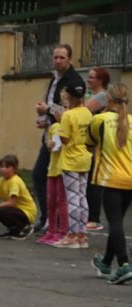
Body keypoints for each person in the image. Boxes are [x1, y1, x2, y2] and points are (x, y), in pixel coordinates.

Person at [32, 44, 85, 231]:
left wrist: (48, 110)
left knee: (58, 182)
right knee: (39, 176)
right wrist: (45, 119)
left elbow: (72, 112)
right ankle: (47, 217)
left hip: (64, 139)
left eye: (62, 58)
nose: (58, 61)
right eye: (55, 57)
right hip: (50, 134)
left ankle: (59, 222)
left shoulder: (74, 81)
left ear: (70, 59)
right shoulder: (54, 79)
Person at [88, 83, 132, 285]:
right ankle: (106, 262)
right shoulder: (131, 122)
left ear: (109, 99)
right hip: (130, 177)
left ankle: (123, 264)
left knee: (114, 222)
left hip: (111, 178)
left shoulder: (100, 120)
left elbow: (89, 143)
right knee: (118, 222)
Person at [53, 83, 93, 249]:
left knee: (72, 197)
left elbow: (64, 139)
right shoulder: (88, 113)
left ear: (69, 97)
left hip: (70, 159)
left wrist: (59, 121)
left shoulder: (68, 115)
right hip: (85, 157)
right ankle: (82, 234)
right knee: (82, 196)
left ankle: (71, 235)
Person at [0, 154, 37, 239]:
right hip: (15, 210)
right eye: (2, 166)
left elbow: (12, 203)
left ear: (14, 169)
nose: (3, 169)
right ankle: (13, 228)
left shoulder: (15, 181)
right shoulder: (2, 179)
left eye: (7, 167)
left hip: (26, 212)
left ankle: (24, 227)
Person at [36, 114, 68, 246]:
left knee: (61, 201)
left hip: (63, 168)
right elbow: (50, 145)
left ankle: (63, 231)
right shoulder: (54, 127)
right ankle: (51, 229)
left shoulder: (67, 127)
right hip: (52, 169)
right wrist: (50, 145)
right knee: (51, 201)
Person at [85, 66, 111, 231]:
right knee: (87, 181)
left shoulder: (102, 96)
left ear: (100, 80)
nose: (88, 80)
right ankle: (88, 215)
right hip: (88, 141)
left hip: (97, 143)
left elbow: (84, 110)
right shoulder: (90, 95)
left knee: (93, 182)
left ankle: (94, 218)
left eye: (92, 77)